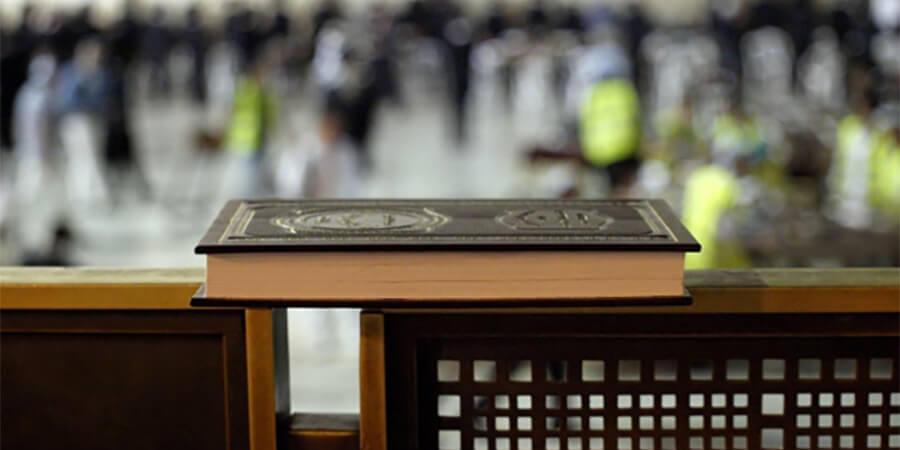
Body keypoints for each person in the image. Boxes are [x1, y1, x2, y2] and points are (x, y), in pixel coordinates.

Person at [222, 45, 280, 198]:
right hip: (246, 140)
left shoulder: (261, 91)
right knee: (247, 177)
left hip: (258, 139)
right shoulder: (248, 90)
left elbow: (271, 113)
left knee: (256, 175)